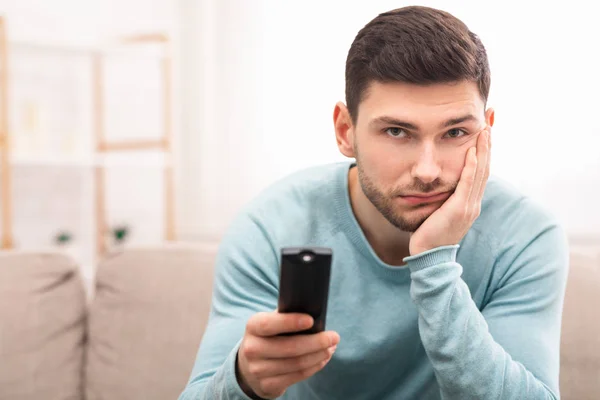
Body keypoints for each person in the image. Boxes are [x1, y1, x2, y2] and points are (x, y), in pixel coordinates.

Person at [179, 5, 569, 400]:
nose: (428, 170)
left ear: (487, 132)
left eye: (455, 132)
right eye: (397, 131)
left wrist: (435, 263)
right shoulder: (270, 227)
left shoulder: (526, 237)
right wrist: (243, 379)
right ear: (345, 130)